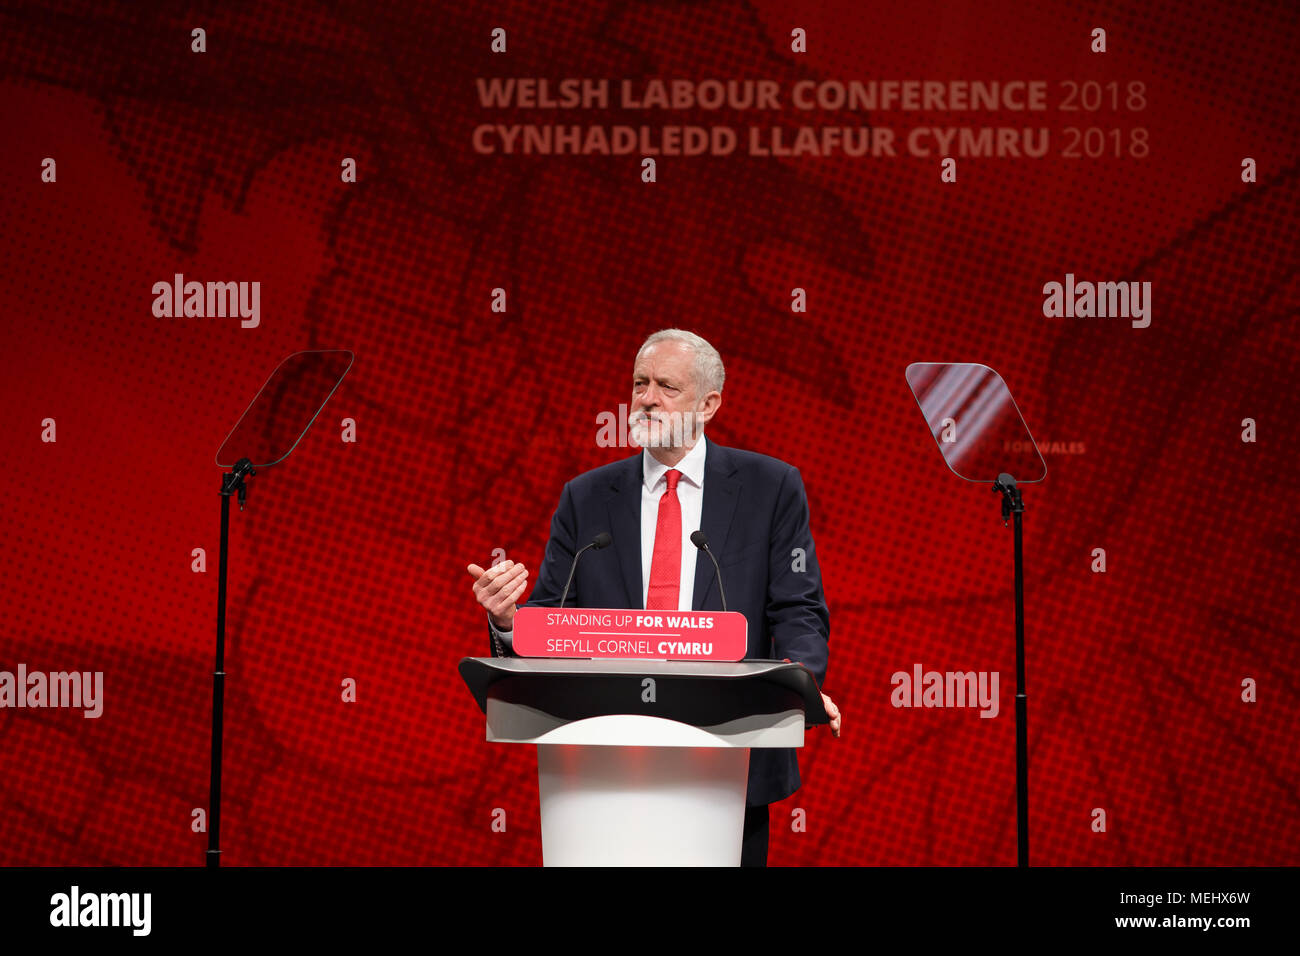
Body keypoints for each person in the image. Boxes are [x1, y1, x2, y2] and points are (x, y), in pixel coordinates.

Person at [467, 328, 840, 866]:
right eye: (639, 383)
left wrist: (798, 683)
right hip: (603, 759)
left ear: (709, 403)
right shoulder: (587, 496)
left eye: (667, 386)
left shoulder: (770, 487)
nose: (646, 398)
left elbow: (798, 607)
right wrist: (508, 621)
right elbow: (551, 620)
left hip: (727, 747)